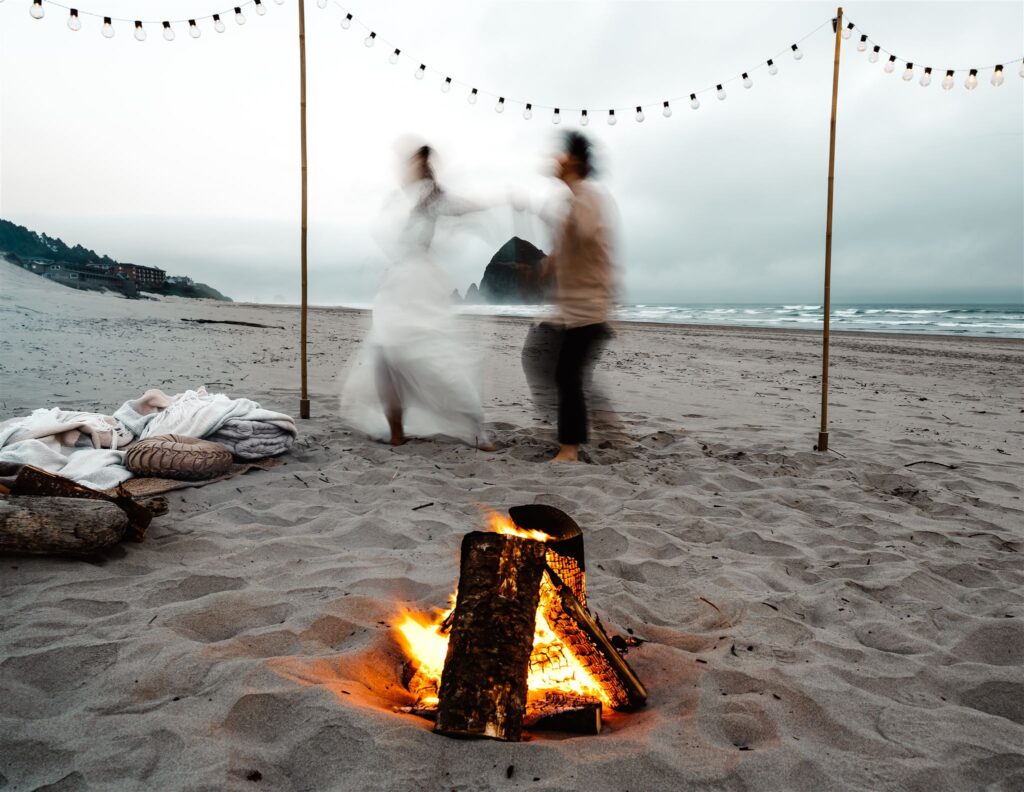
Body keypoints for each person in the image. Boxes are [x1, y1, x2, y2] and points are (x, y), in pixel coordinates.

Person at [339, 143, 494, 450]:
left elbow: (461, 206)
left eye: (414, 163)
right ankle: (396, 432)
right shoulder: (404, 201)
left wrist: (502, 201)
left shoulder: (431, 197)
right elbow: (390, 237)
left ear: (422, 167)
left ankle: (473, 427)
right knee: (385, 358)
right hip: (396, 286)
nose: (407, 168)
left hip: (418, 286)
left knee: (432, 355)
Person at [531, 131, 618, 463]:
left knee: (566, 373)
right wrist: (546, 266)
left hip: (590, 307)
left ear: (576, 161)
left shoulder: (588, 198)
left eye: (561, 155)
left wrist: (558, 225)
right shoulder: (572, 199)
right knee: (550, 363)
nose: (555, 159)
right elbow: (566, 245)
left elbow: (582, 231)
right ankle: (600, 425)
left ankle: (570, 447)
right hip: (572, 308)